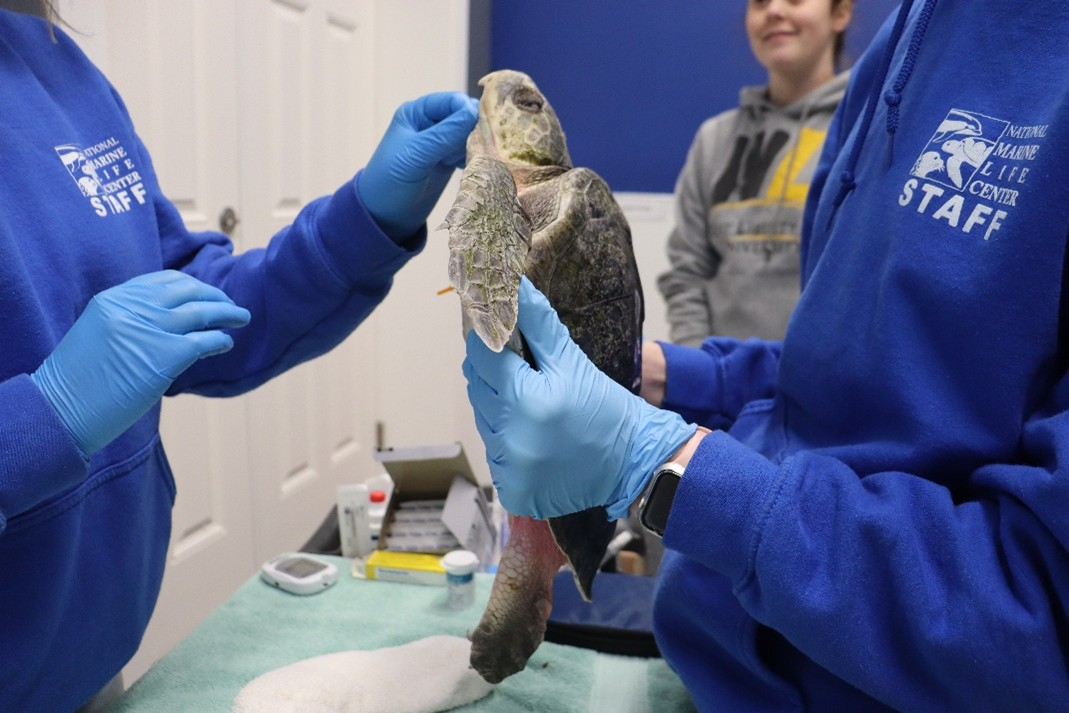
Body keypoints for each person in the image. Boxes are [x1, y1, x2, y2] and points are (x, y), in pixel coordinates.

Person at [464, 1, 1069, 710]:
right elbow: (850, 366)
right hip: (716, 657)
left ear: (840, 13)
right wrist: (681, 377)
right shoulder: (906, 42)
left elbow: (1040, 622)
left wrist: (668, 467)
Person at [0, 5, 477, 711]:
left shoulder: (60, 66)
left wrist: (365, 222)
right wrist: (40, 421)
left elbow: (192, 304)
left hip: (93, 662)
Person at [658, 0, 853, 346]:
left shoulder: (865, 134)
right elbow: (687, 272)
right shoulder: (715, 138)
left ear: (839, 13)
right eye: (760, 1)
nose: (774, 10)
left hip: (821, 376)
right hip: (716, 375)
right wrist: (700, 364)